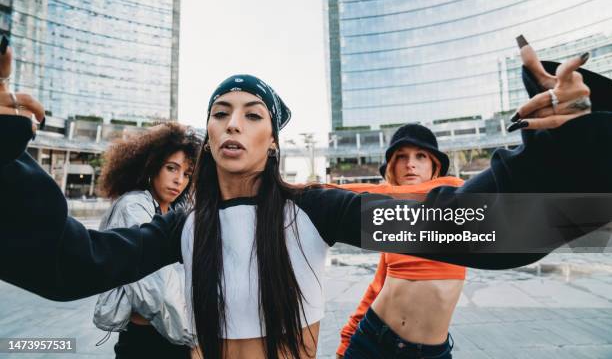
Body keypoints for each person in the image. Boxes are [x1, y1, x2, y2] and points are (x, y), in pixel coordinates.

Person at [1, 36, 612, 359]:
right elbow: (69, 264)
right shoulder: (180, 226)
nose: (233, 124)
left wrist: (562, 150)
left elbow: (462, 227)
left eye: (251, 113)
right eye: (220, 113)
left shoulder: (316, 208)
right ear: (208, 135)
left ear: (273, 139)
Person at [336, 124, 464, 359]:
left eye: (420, 156)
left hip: (430, 352)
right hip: (372, 340)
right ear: (393, 167)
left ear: (435, 166)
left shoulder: (456, 192)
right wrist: (347, 339)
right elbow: (378, 287)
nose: (410, 164)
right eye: (401, 157)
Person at [93, 122, 200, 358]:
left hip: (174, 334)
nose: (179, 180)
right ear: (152, 166)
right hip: (147, 342)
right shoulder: (133, 206)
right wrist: (195, 340)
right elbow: (155, 289)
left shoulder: (175, 209)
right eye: (171, 168)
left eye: (186, 174)